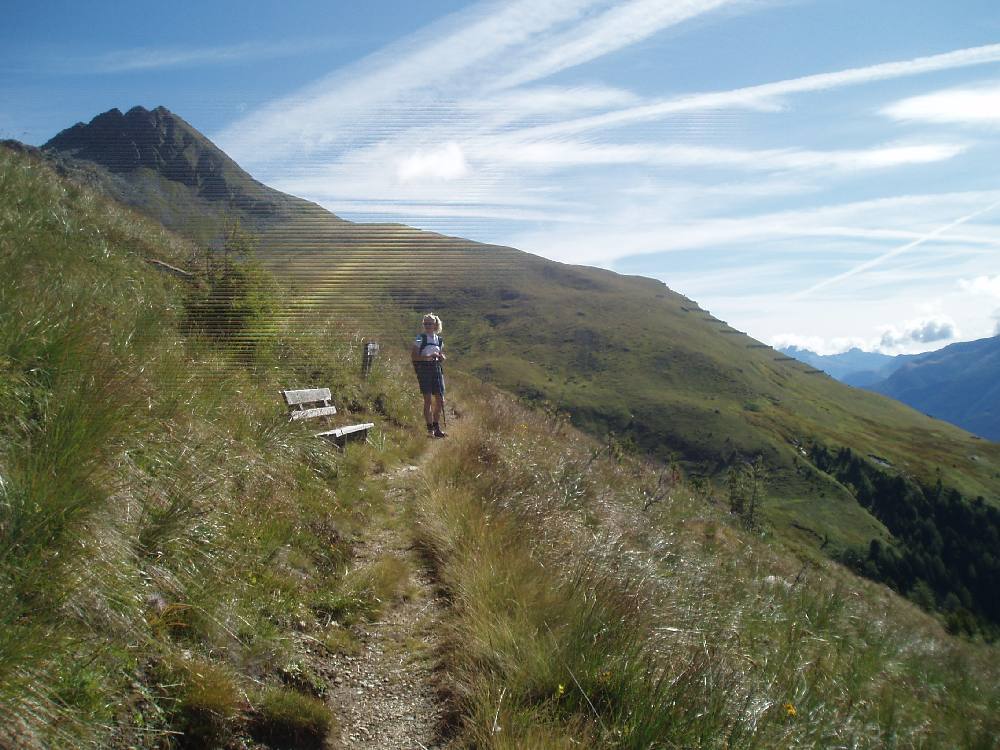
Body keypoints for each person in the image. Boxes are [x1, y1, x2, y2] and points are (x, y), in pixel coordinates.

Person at [412, 313, 447, 438]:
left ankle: (436, 428)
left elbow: (441, 354)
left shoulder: (440, 340)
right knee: (428, 400)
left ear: (435, 324)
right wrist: (428, 357)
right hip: (424, 370)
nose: (427, 326)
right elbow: (414, 356)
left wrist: (442, 357)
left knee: (440, 400)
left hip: (436, 369)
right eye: (425, 323)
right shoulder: (419, 338)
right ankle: (430, 430)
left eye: (430, 323)